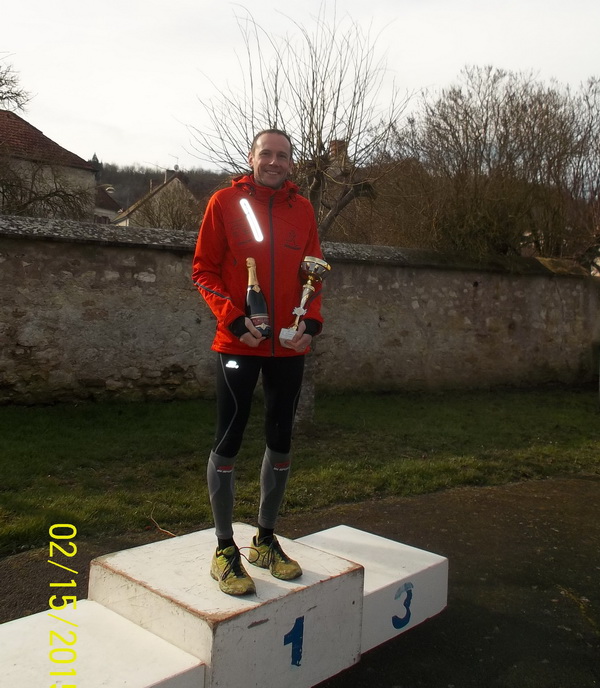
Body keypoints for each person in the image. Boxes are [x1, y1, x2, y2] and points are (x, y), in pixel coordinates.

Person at [192, 129, 325, 596]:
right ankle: (225, 548)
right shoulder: (223, 203)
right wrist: (231, 321)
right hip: (238, 345)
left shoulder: (303, 209)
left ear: (292, 163)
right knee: (228, 440)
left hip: (286, 348)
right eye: (266, 153)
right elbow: (203, 272)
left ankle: (266, 539)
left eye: (282, 155)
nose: (274, 161)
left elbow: (315, 274)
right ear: (252, 158)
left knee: (281, 439)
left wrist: (309, 324)